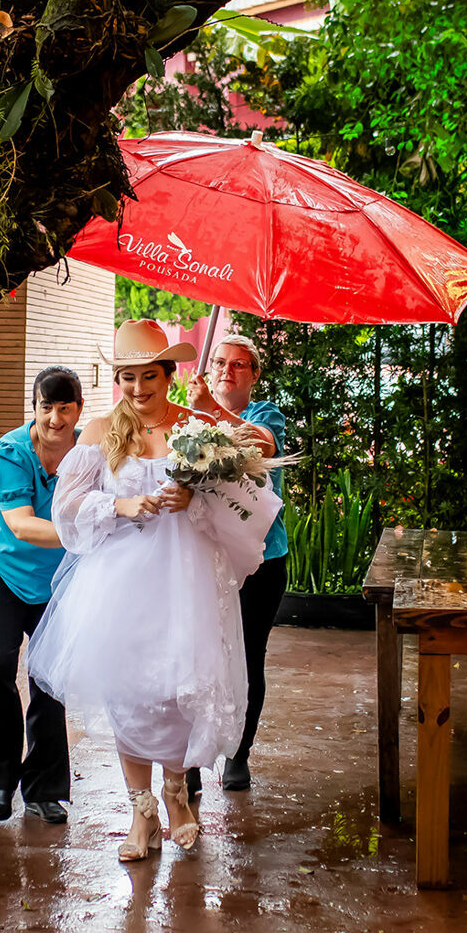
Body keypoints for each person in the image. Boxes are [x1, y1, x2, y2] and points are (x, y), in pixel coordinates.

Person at [25, 320, 279, 861]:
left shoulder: (197, 431)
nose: (139, 390)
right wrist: (120, 505)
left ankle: (176, 794)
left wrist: (197, 500)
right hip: (120, 585)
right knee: (130, 696)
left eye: (150, 377)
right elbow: (65, 512)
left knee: (177, 695)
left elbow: (247, 500)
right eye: (128, 378)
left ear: (169, 375)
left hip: (184, 580)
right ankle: (141, 813)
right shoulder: (96, 435)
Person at [0, 366, 85, 824]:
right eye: (45, 407)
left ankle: (44, 789)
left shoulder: (88, 453)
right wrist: (86, 532)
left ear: (78, 409)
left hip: (55, 580)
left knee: (49, 678)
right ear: (33, 407)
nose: (55, 418)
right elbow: (19, 523)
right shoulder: (10, 451)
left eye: (64, 408)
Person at [186, 333, 288, 792]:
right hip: (204, 559)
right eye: (221, 362)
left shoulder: (265, 415)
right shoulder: (186, 418)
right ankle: (187, 761)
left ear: (255, 375)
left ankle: (238, 754)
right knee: (196, 657)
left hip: (261, 561)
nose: (228, 370)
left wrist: (213, 411)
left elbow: (262, 446)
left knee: (248, 658)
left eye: (239, 364)